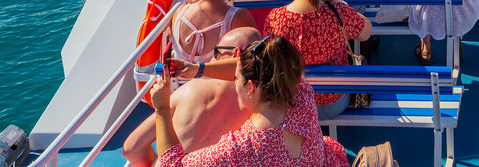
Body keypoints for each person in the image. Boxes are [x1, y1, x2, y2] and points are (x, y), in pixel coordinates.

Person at [133, 36, 347, 166]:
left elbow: (172, 164)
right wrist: (198, 69)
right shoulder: (302, 93)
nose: (234, 83)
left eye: (236, 80)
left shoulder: (241, 148)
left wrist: (162, 107)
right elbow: (255, 66)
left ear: (252, 87)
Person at [265, 0, 373, 120]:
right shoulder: (337, 12)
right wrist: (341, 5)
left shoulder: (275, 19)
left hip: (295, 104)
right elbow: (366, 32)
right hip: (334, 102)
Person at [124, 27, 259, 161]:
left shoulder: (189, 90)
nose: (213, 58)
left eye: (217, 52)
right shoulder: (257, 108)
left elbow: (131, 148)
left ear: (235, 54)